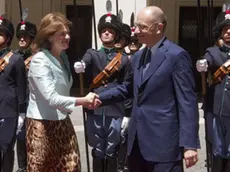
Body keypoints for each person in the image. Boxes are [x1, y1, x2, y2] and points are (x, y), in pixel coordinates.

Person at [94, 6, 200, 172]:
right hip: (136, 144)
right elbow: (127, 89)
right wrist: (99, 98)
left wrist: (189, 144)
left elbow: (187, 102)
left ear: (159, 27)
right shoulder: (137, 57)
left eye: (142, 26)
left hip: (164, 146)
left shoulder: (176, 56)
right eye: (136, 26)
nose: (136, 31)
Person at [26, 12, 97, 172]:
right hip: (41, 127)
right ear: (49, 36)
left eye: (68, 33)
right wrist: (82, 101)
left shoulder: (63, 58)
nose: (67, 37)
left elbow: (62, 90)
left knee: (71, 167)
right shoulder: (39, 61)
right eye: (62, 33)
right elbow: (51, 98)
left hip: (63, 123)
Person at [74, 13, 131, 172]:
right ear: (99, 33)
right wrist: (81, 65)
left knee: (112, 148)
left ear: (116, 35)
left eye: (111, 31)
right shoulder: (92, 54)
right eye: (104, 30)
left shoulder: (123, 59)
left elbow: (127, 87)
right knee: (98, 148)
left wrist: (127, 113)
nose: (106, 33)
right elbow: (85, 62)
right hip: (95, 108)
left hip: (115, 108)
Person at [196, 6, 230, 172]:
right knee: (217, 148)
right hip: (216, 107)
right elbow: (206, 61)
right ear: (220, 32)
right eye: (225, 29)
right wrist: (202, 64)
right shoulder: (213, 51)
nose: (229, 32)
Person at [0, 16, 27, 172]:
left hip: (8, 111)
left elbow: (21, 87)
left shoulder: (15, 59)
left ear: (8, 37)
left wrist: (21, 113)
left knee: (6, 148)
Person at [14, 18, 37, 172]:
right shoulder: (12, 56)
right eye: (20, 36)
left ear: (31, 39)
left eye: (26, 36)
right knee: (19, 136)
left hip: (32, 102)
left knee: (33, 138)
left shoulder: (37, 57)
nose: (22, 39)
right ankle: (22, 167)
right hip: (15, 103)